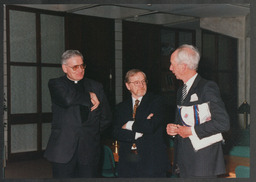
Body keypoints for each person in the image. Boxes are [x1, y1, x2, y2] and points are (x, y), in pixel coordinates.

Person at [44, 50, 112, 178]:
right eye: (75, 67)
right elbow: (67, 99)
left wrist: (91, 132)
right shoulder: (56, 84)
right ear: (64, 68)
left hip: (90, 148)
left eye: (82, 66)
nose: (80, 70)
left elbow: (106, 118)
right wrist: (89, 95)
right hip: (63, 148)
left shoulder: (96, 86)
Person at [166, 44, 230, 178]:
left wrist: (191, 130)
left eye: (172, 64)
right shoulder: (181, 91)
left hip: (203, 163)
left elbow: (222, 123)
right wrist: (174, 129)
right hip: (184, 162)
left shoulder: (207, 87)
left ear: (183, 66)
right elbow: (183, 121)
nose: (170, 68)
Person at [113, 69, 169, 178]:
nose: (141, 85)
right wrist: (136, 133)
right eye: (136, 82)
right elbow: (115, 132)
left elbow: (150, 126)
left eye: (143, 81)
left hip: (152, 163)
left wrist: (128, 125)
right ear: (128, 86)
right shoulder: (121, 107)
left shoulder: (157, 101)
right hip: (127, 163)